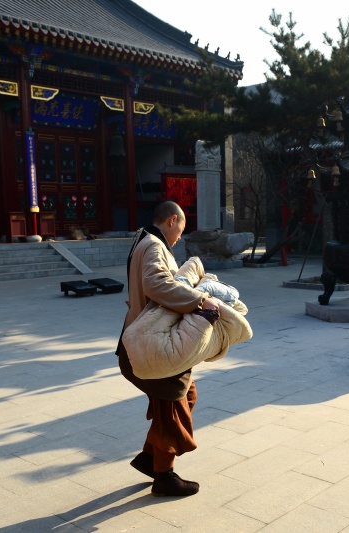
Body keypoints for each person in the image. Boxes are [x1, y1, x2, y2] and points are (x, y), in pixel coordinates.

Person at [115, 201, 220, 497]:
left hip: (147, 341)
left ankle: (151, 458)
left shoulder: (145, 240)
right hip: (152, 347)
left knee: (185, 394)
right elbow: (156, 284)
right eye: (180, 231)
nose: (178, 239)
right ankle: (164, 475)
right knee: (172, 404)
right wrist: (200, 301)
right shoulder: (153, 246)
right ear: (172, 220)